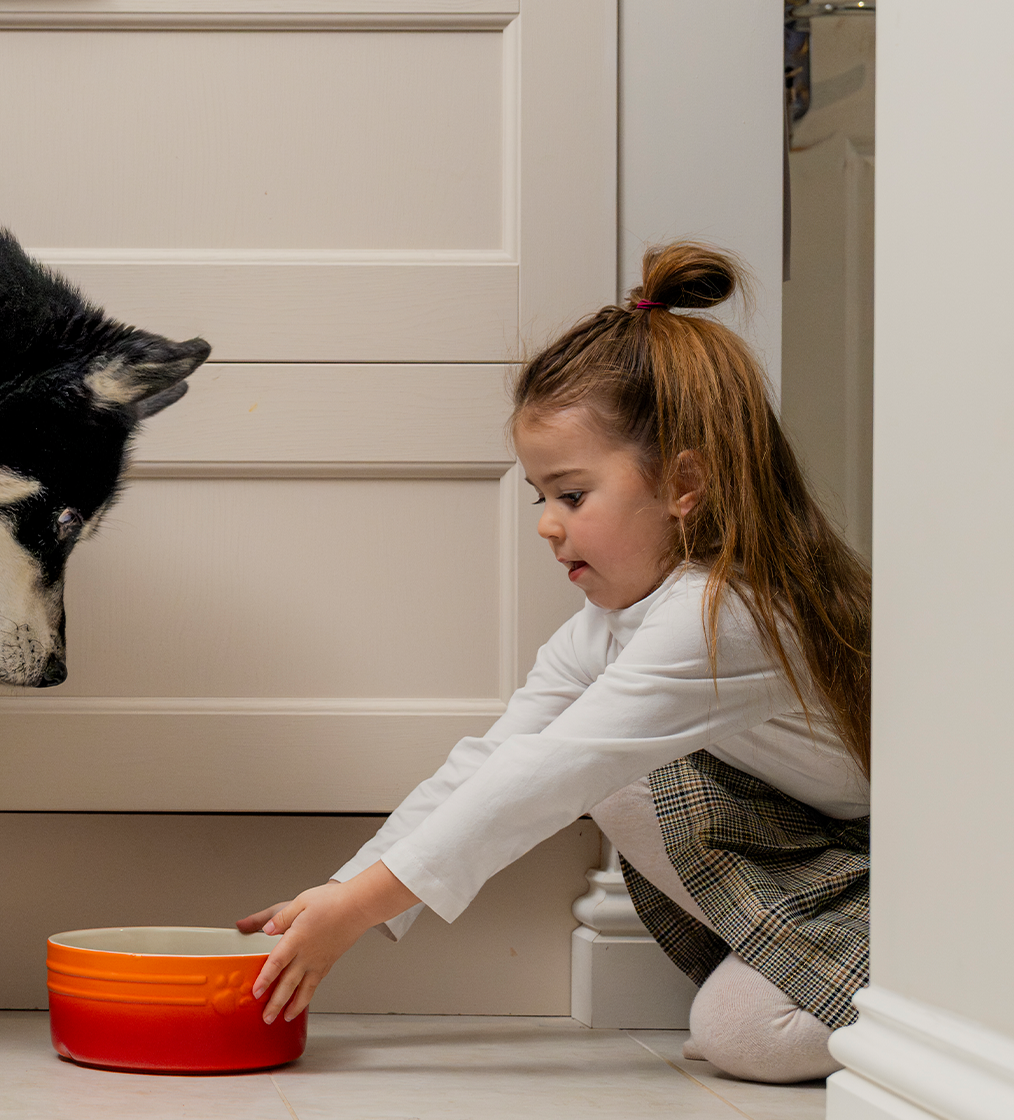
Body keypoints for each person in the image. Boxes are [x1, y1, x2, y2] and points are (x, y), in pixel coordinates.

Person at [238, 242, 872, 1084]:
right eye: (542, 497)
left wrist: (357, 911)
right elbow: (495, 756)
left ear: (685, 484)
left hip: (890, 868)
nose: (546, 521)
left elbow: (552, 772)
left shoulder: (727, 614)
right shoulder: (611, 621)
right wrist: (340, 887)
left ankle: (965, 980)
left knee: (736, 1028)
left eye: (571, 495)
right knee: (732, 1017)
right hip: (822, 858)